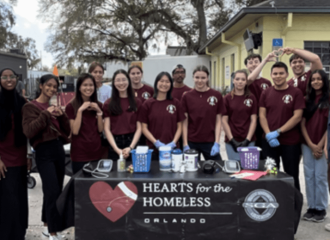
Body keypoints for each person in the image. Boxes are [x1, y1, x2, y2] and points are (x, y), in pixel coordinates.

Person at [22, 74, 71, 240]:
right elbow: (29, 131)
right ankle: (52, 233)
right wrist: (45, 114)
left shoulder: (54, 106)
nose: (51, 89)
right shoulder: (30, 107)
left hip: (58, 149)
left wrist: (62, 115)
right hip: (43, 151)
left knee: (55, 190)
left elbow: (67, 130)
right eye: (48, 85)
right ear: (41, 85)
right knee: (52, 191)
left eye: (54, 87)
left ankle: (46, 227)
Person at [259, 62, 305, 191]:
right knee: (271, 173)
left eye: (281, 73)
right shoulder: (266, 93)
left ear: (287, 74)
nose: (278, 76)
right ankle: (274, 203)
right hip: (269, 141)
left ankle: (294, 205)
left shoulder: (296, 93)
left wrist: (278, 132)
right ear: (271, 75)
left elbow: (297, 116)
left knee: (291, 174)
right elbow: (262, 115)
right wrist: (268, 134)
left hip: (290, 142)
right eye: (275, 73)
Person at [0, 68, 30, 240]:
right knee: (6, 200)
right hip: (3, 159)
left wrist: (28, 156)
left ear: (17, 79)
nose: (9, 80)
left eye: (12, 77)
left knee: (19, 198)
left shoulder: (23, 102)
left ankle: (19, 234)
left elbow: (26, 133)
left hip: (19, 157)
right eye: (4, 77)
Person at [300, 69, 329, 223]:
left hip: (323, 144)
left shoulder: (328, 99)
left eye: (319, 79)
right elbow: (302, 124)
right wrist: (311, 144)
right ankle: (311, 207)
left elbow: (329, 126)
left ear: (324, 81)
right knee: (309, 176)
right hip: (308, 143)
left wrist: (320, 145)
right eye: (313, 79)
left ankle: (321, 207)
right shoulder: (306, 99)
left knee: (320, 176)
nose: (316, 82)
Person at [139, 72, 185, 160]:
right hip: (153, 150)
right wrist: (156, 143)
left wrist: (173, 143)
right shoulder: (147, 104)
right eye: (161, 81)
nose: (164, 84)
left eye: (167, 82)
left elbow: (180, 126)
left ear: (171, 84)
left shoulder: (176, 103)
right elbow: (144, 128)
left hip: (173, 150)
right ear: (156, 83)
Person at [182, 65, 224, 161]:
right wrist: (185, 144)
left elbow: (218, 121)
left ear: (207, 78)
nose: (200, 80)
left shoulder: (216, 95)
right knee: (191, 172)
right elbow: (185, 122)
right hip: (192, 142)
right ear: (193, 78)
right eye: (197, 77)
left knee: (217, 170)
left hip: (210, 142)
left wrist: (217, 143)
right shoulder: (187, 96)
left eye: (203, 77)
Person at [65, 73, 104, 174]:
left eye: (91, 85)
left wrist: (99, 111)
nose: (88, 88)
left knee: (96, 186)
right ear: (79, 87)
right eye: (85, 85)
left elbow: (100, 130)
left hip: (96, 151)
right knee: (80, 186)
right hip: (79, 154)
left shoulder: (98, 105)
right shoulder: (71, 106)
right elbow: (75, 131)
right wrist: (80, 111)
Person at [103, 70, 141, 161]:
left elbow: (139, 128)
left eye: (124, 79)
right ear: (114, 83)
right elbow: (107, 129)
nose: (121, 83)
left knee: (134, 173)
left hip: (132, 142)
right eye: (118, 80)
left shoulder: (137, 102)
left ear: (128, 80)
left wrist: (130, 148)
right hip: (115, 143)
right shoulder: (108, 103)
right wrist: (117, 149)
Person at [222, 70, 257, 161]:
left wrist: (248, 140)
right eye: (237, 79)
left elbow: (253, 120)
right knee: (235, 169)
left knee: (248, 169)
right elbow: (224, 121)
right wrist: (232, 140)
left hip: (249, 140)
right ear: (233, 80)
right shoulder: (227, 98)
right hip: (231, 140)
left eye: (243, 79)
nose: (240, 81)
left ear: (246, 81)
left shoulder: (251, 98)